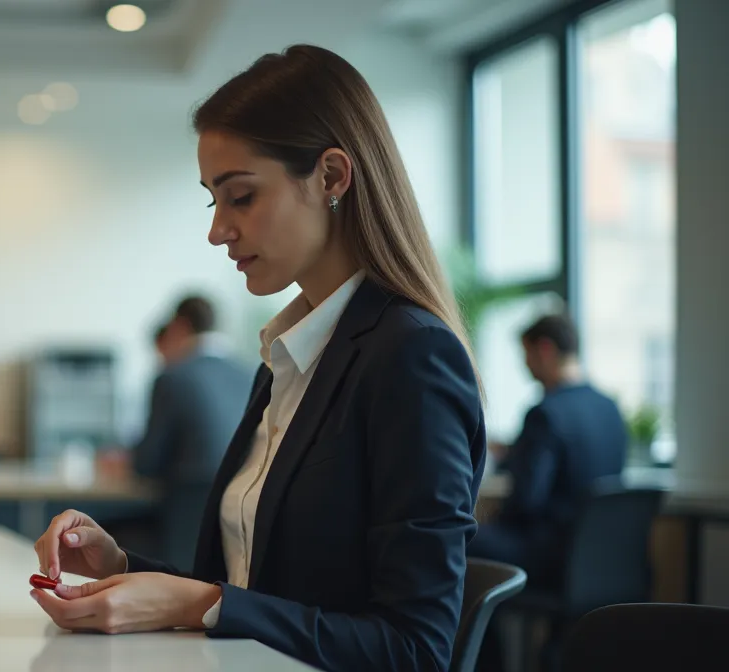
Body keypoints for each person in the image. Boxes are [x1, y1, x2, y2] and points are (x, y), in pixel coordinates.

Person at [30, 44, 486, 672]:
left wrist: (199, 604)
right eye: (212, 200)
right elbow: (256, 590)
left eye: (240, 196)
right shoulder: (289, 356)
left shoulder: (411, 355)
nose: (218, 230)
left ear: (331, 177)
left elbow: (415, 650)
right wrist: (122, 567)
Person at [473, 314, 627, 581]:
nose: (525, 365)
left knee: (462, 539)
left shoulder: (545, 413)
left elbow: (526, 501)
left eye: (526, 354)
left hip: (551, 554)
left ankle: (484, 623)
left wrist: (494, 515)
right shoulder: (609, 408)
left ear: (545, 349)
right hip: (602, 557)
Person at [129, 296, 251, 568]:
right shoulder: (253, 372)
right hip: (244, 515)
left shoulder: (173, 376)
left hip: (188, 511)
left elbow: (146, 464)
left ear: (179, 326)